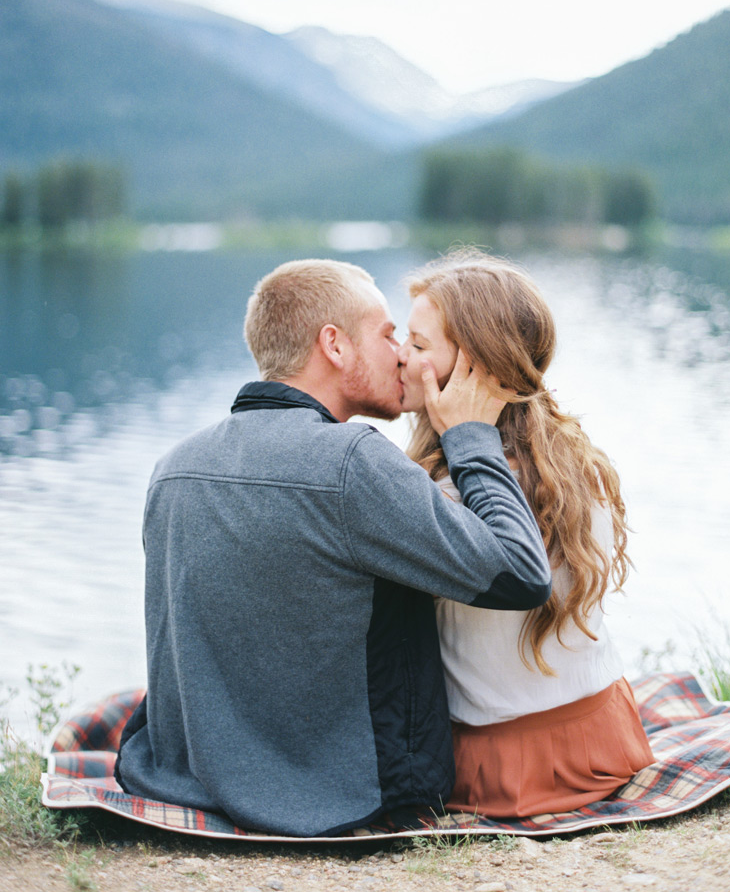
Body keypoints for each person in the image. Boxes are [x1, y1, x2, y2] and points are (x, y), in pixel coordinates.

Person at [116, 258, 551, 837]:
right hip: (344, 796)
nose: (401, 353)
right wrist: (470, 437)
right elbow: (521, 574)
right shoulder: (353, 461)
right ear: (335, 346)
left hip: (178, 775)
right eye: (388, 334)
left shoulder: (171, 468)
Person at [398, 250, 654, 818]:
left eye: (417, 346)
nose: (399, 356)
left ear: (472, 367)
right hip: (608, 738)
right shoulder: (576, 463)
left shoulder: (443, 494)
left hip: (501, 769)